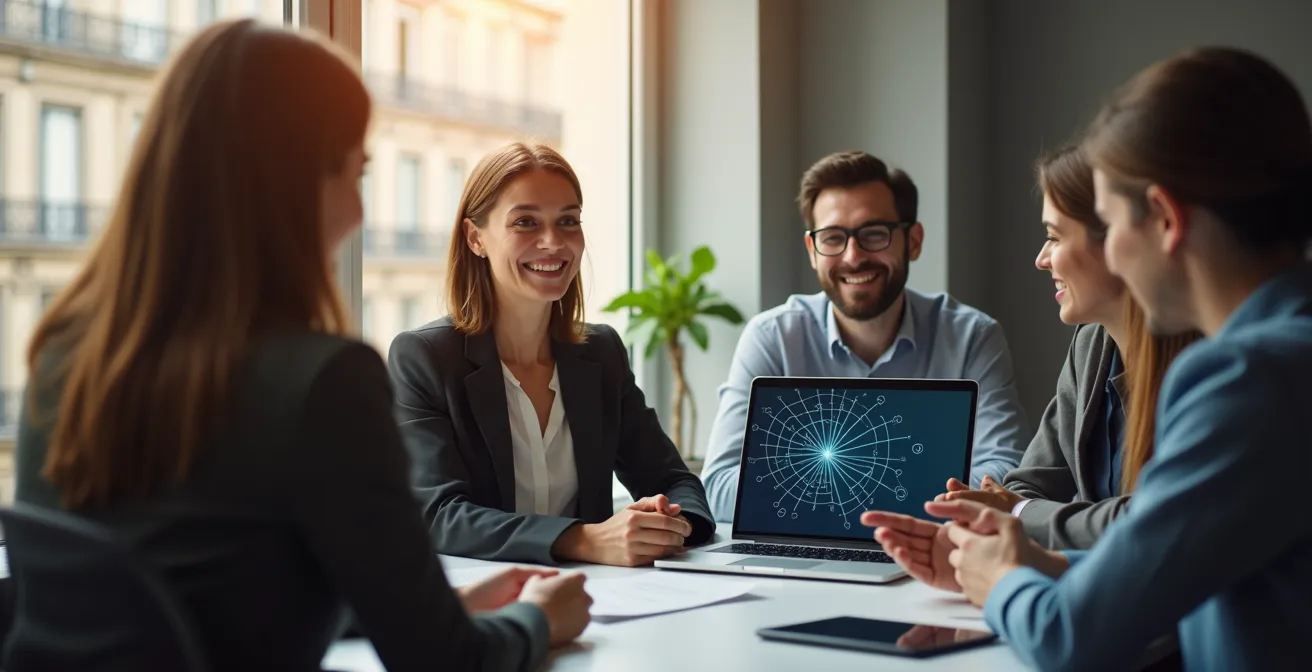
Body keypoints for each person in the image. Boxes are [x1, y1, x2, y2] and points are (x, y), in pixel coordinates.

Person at [12, 20, 590, 671]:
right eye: (355, 173)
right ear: (289, 184)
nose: (360, 211)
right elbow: (443, 661)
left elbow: (205, 596)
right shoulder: (322, 379)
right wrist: (536, 620)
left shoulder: (65, 352)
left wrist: (436, 604)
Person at [864, 46, 1312, 670]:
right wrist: (1035, 563)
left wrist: (1003, 583)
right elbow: (1193, 569)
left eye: (1109, 220)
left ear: (1164, 219)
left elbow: (1067, 638)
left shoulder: (1249, 378)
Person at [388, 142, 714, 568]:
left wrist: (671, 524)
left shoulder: (601, 352)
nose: (552, 242)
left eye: (568, 221)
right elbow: (438, 516)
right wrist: (584, 540)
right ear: (475, 238)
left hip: (604, 598)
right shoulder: (425, 357)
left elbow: (673, 480)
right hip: (486, 600)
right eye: (525, 222)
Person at [701, 151, 1030, 522]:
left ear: (914, 241)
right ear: (813, 251)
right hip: (796, 562)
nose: (853, 257)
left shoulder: (972, 336)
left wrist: (810, 490)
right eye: (832, 238)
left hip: (933, 553)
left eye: (874, 234)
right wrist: (901, 488)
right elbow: (720, 486)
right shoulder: (772, 337)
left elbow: (1006, 472)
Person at [934, 145, 1199, 550]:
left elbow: (1148, 520)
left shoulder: (1203, 364)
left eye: (1053, 237)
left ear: (1115, 241)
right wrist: (1006, 508)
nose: (1041, 259)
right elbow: (1029, 481)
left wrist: (1018, 513)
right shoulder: (1092, 344)